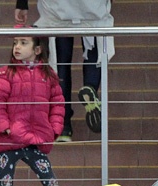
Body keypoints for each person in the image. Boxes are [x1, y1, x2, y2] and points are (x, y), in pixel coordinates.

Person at [0, 30, 80, 186]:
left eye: (23, 43)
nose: (17, 47)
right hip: (10, 143)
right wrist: (5, 128)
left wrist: (55, 129)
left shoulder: (48, 75)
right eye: (15, 43)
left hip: (36, 141)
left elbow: (58, 104)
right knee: (4, 185)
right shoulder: (6, 73)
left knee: (51, 182)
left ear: (37, 50)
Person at [15, 1, 114, 142]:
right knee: (94, 49)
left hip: (57, 8)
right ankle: (90, 87)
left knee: (61, 64)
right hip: (93, 7)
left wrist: (22, 4)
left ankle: (64, 126)